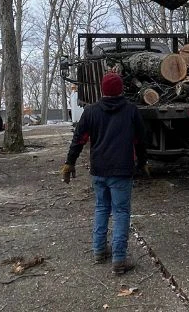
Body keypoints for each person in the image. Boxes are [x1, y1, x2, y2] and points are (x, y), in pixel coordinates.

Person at [61, 72, 147, 276]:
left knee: (101, 208)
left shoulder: (91, 112)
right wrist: (142, 162)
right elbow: (141, 140)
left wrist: (69, 163)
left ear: (102, 90)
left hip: (99, 171)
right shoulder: (131, 111)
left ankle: (99, 250)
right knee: (121, 213)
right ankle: (119, 259)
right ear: (121, 90)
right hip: (122, 171)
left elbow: (78, 139)